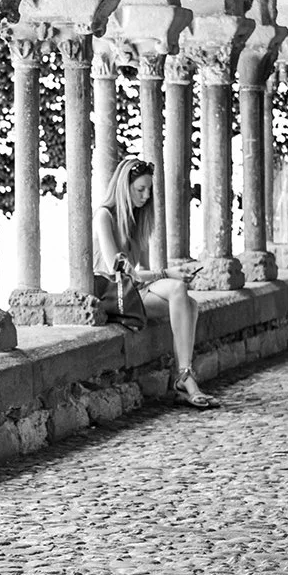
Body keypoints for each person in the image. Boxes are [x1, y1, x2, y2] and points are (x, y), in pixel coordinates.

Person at [93, 156, 217, 409]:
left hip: (130, 292)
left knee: (189, 304)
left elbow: (142, 272)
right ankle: (185, 378)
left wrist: (172, 272)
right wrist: (168, 274)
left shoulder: (138, 221)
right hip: (110, 295)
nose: (146, 195)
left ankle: (184, 375)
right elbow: (115, 268)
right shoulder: (104, 216)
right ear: (123, 188)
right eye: (140, 189)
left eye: (149, 189)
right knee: (177, 289)